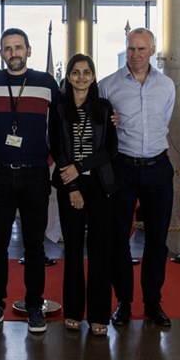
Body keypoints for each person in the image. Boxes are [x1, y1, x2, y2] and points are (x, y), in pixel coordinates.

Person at [0, 27, 60, 333]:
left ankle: (34, 304)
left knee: (34, 247)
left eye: (18, 47)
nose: (13, 53)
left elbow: (70, 117)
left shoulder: (46, 83)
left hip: (35, 174)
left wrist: (108, 116)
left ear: (29, 50)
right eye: (7, 48)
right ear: (1, 53)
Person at [98, 27, 175, 327]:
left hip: (158, 167)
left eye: (142, 49)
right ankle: (125, 303)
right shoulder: (108, 85)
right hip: (122, 168)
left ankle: (153, 303)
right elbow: (102, 126)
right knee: (120, 239)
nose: (136, 55)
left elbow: (163, 121)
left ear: (153, 51)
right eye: (131, 49)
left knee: (157, 241)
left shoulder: (167, 85)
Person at [50, 54, 118, 336]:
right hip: (70, 188)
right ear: (68, 77)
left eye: (86, 72)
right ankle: (74, 312)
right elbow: (57, 147)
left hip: (100, 186)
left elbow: (109, 149)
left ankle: (100, 315)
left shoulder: (103, 108)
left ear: (93, 76)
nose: (81, 77)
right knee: (74, 250)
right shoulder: (58, 108)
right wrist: (73, 186)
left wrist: (79, 169)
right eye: (75, 72)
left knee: (101, 251)